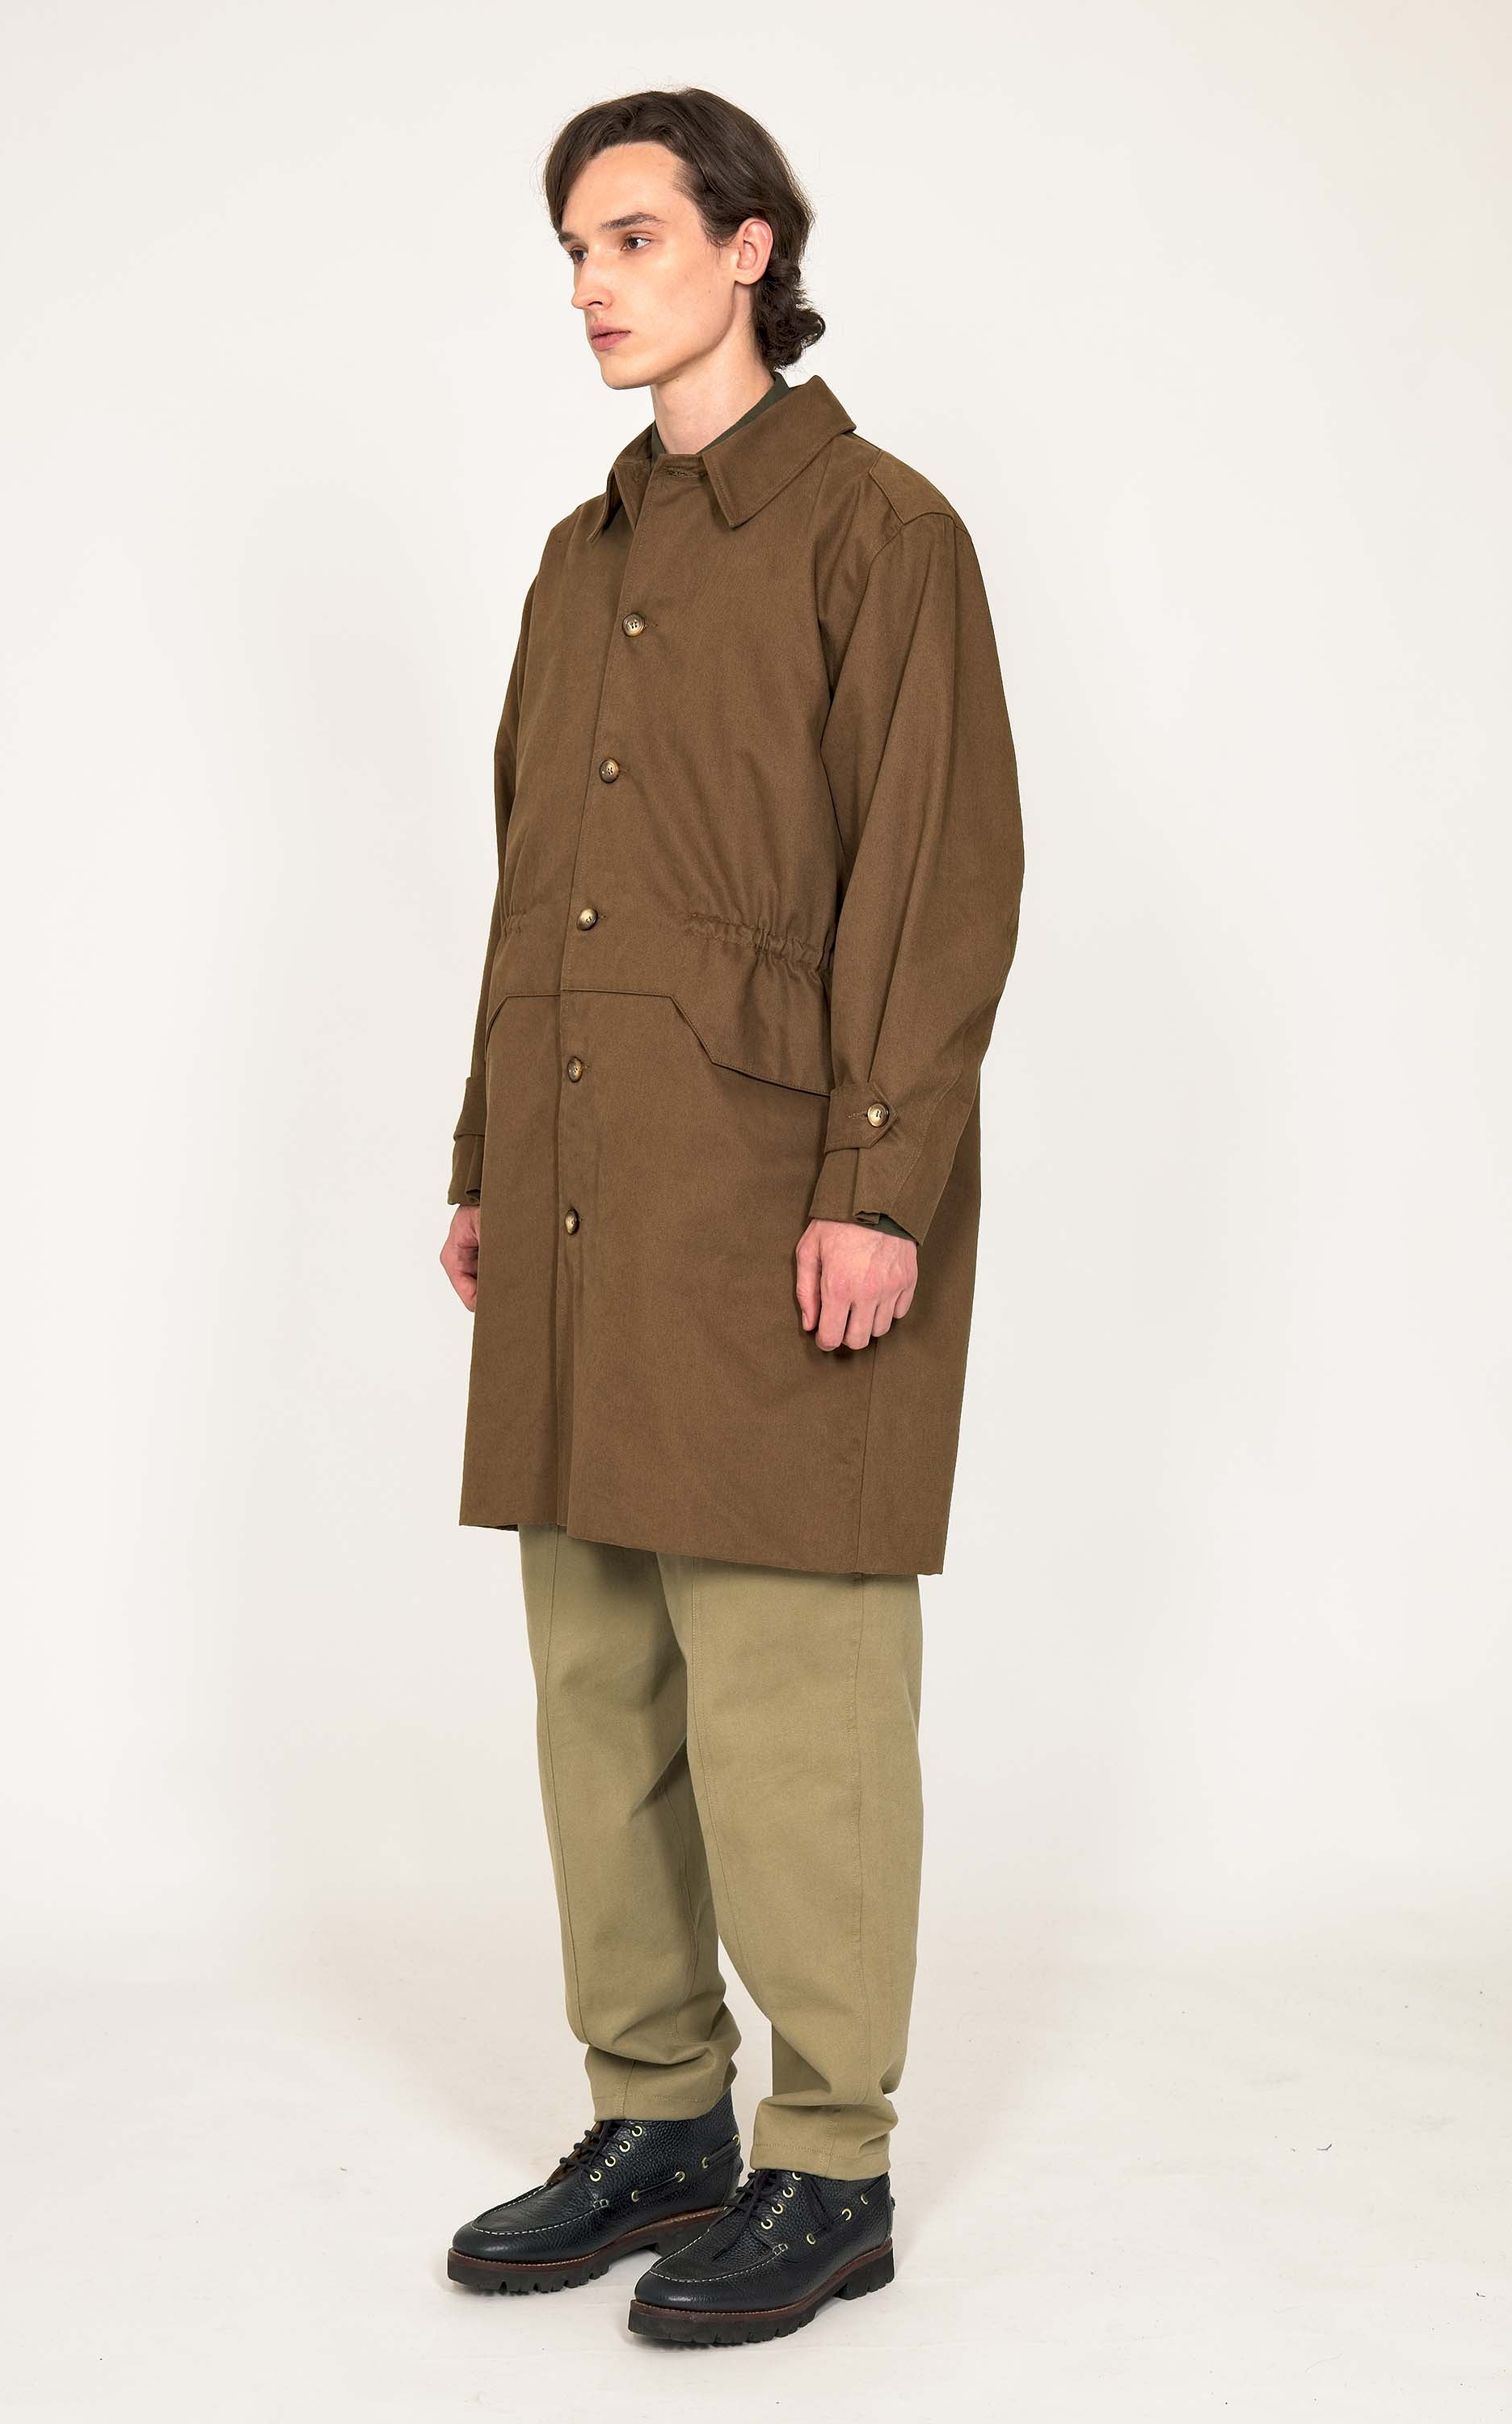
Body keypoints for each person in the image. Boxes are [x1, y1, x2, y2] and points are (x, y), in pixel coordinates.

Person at [440, 86, 1023, 2348]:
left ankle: (830, 2160)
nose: (593, 283)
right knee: (599, 1682)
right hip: (583, 1197)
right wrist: (485, 1157)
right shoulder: (576, 559)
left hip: (780, 1199)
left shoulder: (880, 532)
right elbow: (532, 883)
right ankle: (658, 2114)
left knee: (792, 1692)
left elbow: (935, 882)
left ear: (752, 248)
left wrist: (879, 1186)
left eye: (635, 237)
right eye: (574, 250)